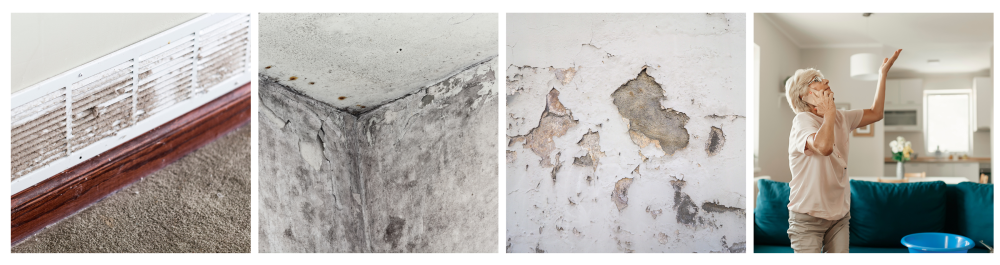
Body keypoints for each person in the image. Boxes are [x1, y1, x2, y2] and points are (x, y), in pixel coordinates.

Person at [784, 49, 902, 253]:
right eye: (817, 79)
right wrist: (829, 113)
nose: (826, 80)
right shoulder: (803, 121)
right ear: (806, 94)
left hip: (839, 216)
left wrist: (882, 74)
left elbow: (876, 113)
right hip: (807, 217)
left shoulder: (841, 117)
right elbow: (823, 147)